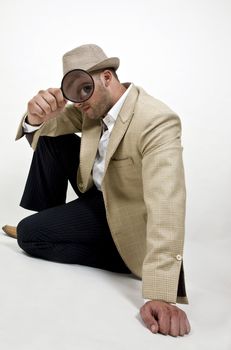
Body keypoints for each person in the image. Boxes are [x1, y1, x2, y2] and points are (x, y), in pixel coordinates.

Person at [3, 44, 190, 337]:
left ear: (106, 77)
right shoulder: (91, 106)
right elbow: (47, 127)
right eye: (72, 93)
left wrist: (161, 293)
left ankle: (120, 253)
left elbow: (167, 204)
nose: (78, 102)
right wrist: (36, 117)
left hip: (126, 214)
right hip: (98, 194)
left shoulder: (156, 120)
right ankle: (53, 220)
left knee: (29, 235)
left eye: (84, 89)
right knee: (51, 136)